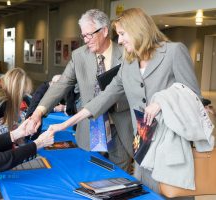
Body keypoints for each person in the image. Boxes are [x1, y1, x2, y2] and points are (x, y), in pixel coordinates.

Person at [47, 8, 202, 199]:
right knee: (145, 193)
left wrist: (162, 101)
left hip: (170, 144)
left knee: (173, 194)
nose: (119, 40)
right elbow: (103, 98)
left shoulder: (173, 51)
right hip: (142, 143)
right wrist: (65, 124)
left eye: (121, 34)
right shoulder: (128, 64)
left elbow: (194, 96)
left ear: (137, 30)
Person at [26, 9, 133, 172]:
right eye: (83, 36)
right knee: (91, 174)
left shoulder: (127, 53)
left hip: (119, 128)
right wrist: (38, 113)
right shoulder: (79, 56)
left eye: (89, 35)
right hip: (91, 129)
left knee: (121, 176)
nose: (86, 40)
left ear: (104, 31)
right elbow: (61, 85)